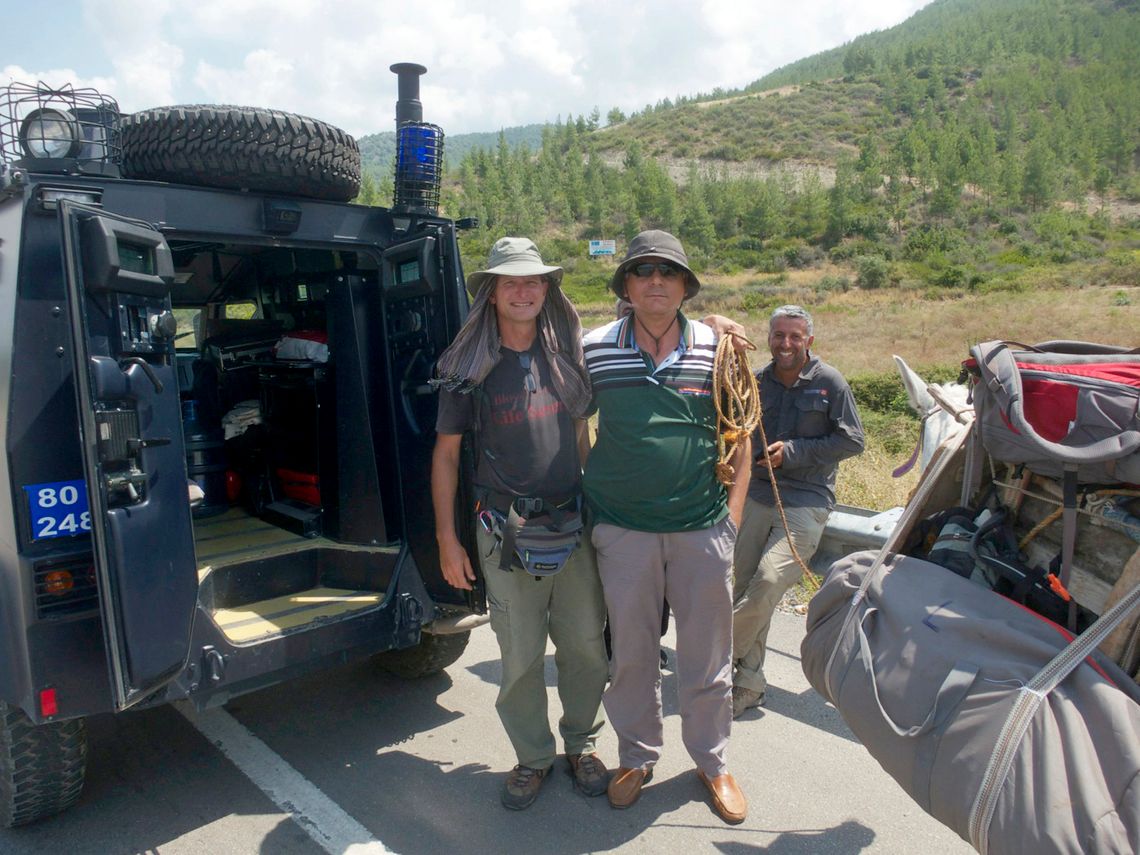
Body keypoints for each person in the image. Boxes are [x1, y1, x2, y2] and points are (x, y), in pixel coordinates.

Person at [430, 237, 610, 810]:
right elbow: (446, 457)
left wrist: (600, 517)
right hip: (502, 531)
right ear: (492, 294)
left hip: (572, 525)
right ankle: (533, 758)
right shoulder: (469, 370)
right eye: (511, 282)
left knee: (585, 646)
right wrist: (447, 540)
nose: (525, 290)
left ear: (546, 289)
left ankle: (581, 746)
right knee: (521, 655)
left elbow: (582, 438)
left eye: (534, 281)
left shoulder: (566, 359)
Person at [582, 229, 751, 825]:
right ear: (626, 286)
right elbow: (578, 423)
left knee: (707, 654)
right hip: (623, 529)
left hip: (701, 526)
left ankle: (712, 760)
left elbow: (741, 434)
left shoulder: (718, 346)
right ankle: (636, 756)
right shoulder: (594, 347)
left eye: (668, 273)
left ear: (685, 286)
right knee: (630, 652)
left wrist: (729, 522)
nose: (656, 281)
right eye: (643, 271)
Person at [731, 305, 864, 718]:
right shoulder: (754, 382)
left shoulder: (829, 382)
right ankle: (748, 686)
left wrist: (794, 452)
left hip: (806, 500)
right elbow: (739, 433)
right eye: (778, 335)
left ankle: (711, 654)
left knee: (769, 580)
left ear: (810, 340)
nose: (785, 344)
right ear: (768, 338)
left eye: (794, 336)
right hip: (756, 496)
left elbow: (853, 441)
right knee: (745, 588)